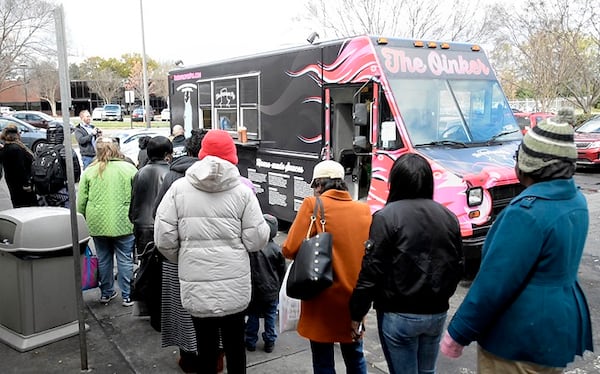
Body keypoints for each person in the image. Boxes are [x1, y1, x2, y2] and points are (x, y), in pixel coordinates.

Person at [441, 117, 593, 372]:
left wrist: (458, 332)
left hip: (517, 335)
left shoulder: (526, 213)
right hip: (555, 330)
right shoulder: (576, 200)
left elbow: (494, 283)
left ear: (531, 164)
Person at [154, 129, 270, 374]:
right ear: (232, 156)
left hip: (196, 285)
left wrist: (184, 256)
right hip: (234, 287)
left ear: (202, 154)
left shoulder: (179, 188)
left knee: (205, 347)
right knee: (236, 348)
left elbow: (163, 238)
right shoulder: (242, 192)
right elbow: (257, 239)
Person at [348, 153, 463, 374]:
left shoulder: (386, 217)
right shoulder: (449, 217)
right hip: (437, 312)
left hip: (397, 313)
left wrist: (357, 313)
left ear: (395, 182)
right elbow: (457, 265)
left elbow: (371, 271)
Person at [282, 160, 372, 374]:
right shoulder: (364, 210)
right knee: (355, 356)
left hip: (321, 299)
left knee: (323, 361)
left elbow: (289, 248)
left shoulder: (312, 205)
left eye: (315, 185)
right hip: (354, 300)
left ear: (320, 185)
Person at [153, 128, 206, 373]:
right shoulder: (222, 178)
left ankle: (188, 359)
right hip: (210, 256)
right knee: (212, 307)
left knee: (182, 309)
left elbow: (159, 218)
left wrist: (174, 253)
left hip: (178, 255)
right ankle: (214, 357)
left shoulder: (172, 176)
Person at [77, 137, 138, 307]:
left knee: (104, 259)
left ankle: (106, 292)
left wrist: (81, 219)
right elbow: (137, 195)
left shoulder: (90, 171)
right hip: (124, 221)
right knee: (125, 259)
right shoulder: (129, 169)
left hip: (98, 223)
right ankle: (127, 295)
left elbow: (81, 200)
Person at [129, 136, 172, 330]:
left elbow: (134, 204)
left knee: (147, 272)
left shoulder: (140, 173)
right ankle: (164, 317)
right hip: (161, 228)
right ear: (167, 154)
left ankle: (153, 314)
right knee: (165, 275)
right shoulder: (170, 174)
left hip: (141, 228)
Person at [245, 213, 286, 354]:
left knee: (253, 316)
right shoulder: (276, 250)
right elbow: (282, 270)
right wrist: (278, 287)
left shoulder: (252, 248)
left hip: (255, 290)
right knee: (270, 316)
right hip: (271, 290)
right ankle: (269, 341)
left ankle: (250, 341)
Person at [34, 124, 81, 208]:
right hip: (61, 190)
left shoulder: (40, 149)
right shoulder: (66, 151)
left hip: (42, 190)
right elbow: (76, 175)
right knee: (66, 217)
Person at [0, 124, 38, 207]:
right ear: (17, 134)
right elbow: (20, 168)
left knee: (17, 204)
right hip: (22, 184)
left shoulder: (5, 148)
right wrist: (26, 184)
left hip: (11, 182)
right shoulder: (17, 148)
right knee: (29, 206)